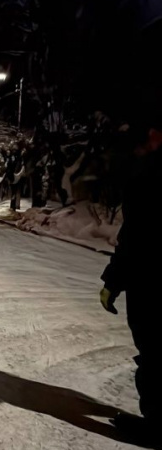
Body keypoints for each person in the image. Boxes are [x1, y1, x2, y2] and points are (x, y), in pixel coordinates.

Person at [100, 119, 162, 444]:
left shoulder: (149, 178)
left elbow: (138, 238)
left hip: (153, 283)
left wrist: (113, 281)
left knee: (155, 352)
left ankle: (157, 425)